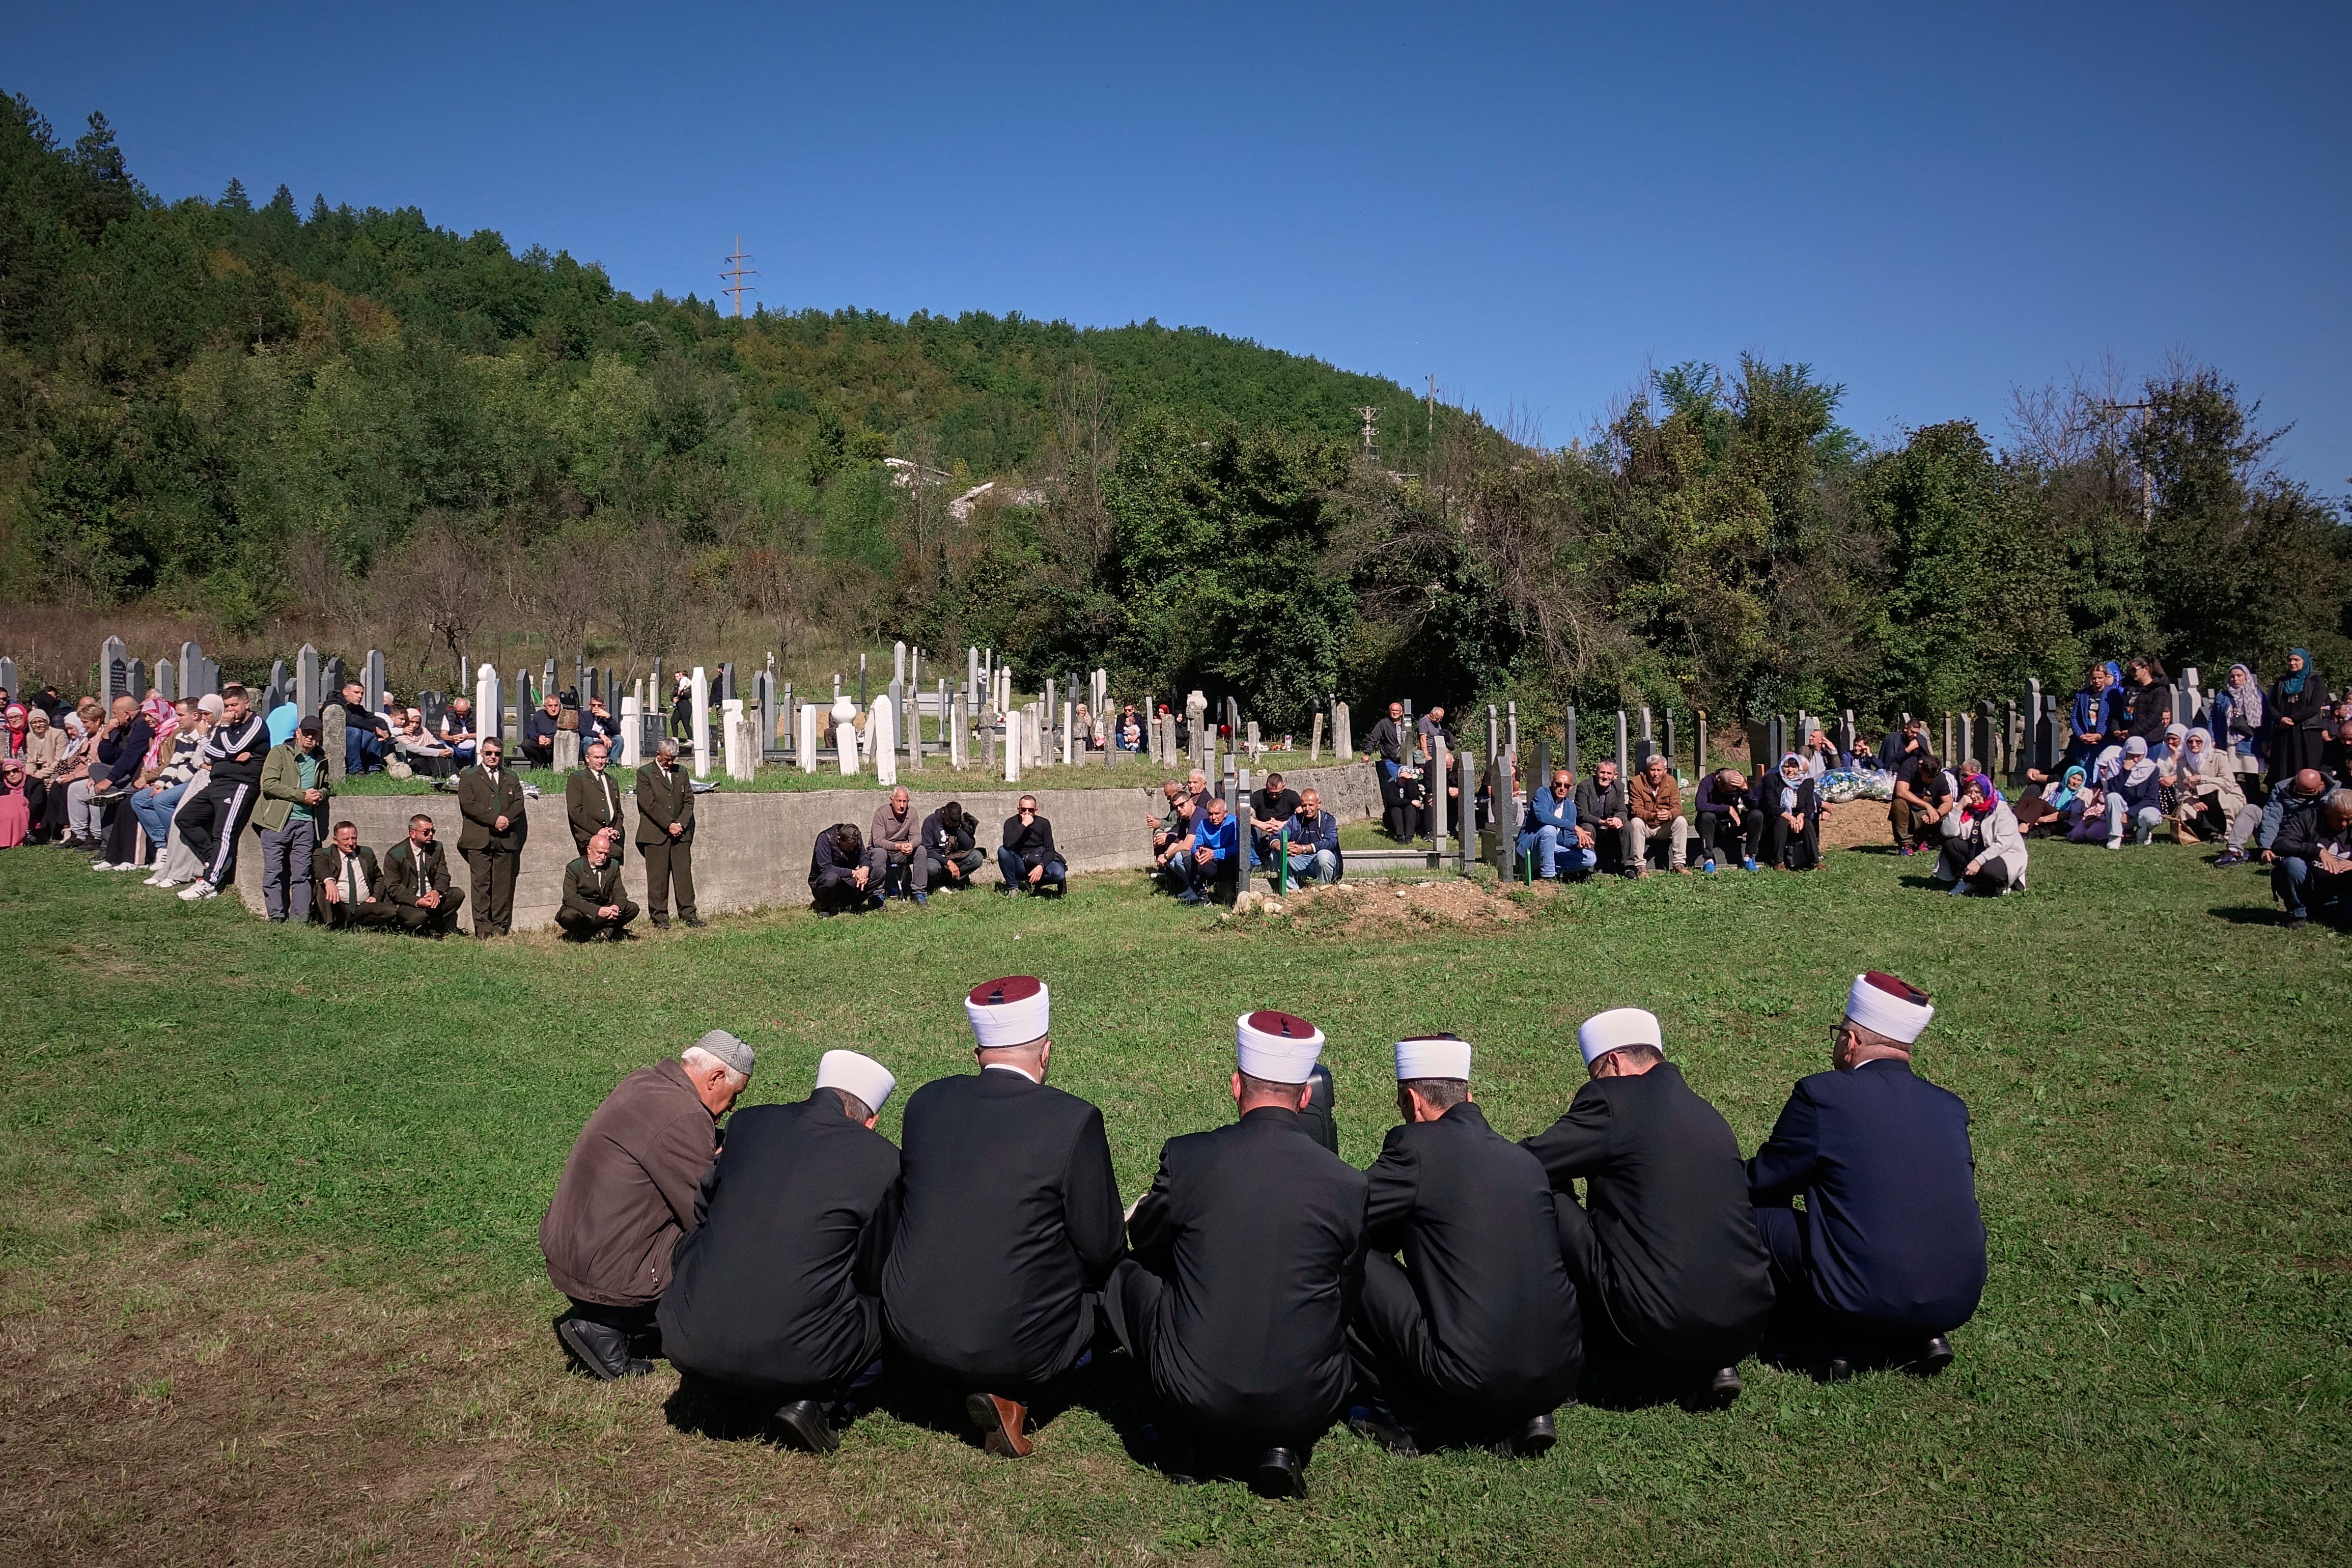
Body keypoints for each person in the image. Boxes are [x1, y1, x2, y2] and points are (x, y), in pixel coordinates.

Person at [1106, 1011, 1366, 1498]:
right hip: (1307, 1400)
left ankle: (1177, 1434)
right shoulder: (1349, 1184)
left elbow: (1149, 1241)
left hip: (1194, 1392)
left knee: (1127, 1274)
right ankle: (1280, 1444)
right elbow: (1346, 1295)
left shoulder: (1189, 1158)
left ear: (1236, 1086)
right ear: (1305, 1098)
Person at [882, 978, 1124, 1460]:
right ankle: (1014, 1398)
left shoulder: (925, 1102)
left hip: (908, 1329)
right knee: (1120, 1293)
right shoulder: (1073, 1120)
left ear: (978, 1054)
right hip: (1010, 1343)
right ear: (1046, 1053)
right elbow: (1102, 1247)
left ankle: (952, 1382)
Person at [1523, 1007, 1774, 1406]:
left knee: (1541, 1191)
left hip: (1658, 1320)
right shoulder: (1706, 1111)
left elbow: (1528, 1163)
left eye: (1595, 1074)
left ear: (1615, 1062)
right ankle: (1714, 1361)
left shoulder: (1613, 1100)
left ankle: (1559, 1355)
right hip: (1749, 1320)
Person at [1348, 1033, 1581, 1459]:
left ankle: (1399, 1415)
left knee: (1350, 1252)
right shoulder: (1524, 1161)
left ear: (1413, 1102)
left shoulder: (1415, 1149)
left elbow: (1346, 1214)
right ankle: (1525, 1412)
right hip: (1561, 1370)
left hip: (1473, 1374)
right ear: (1468, 1095)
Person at [661, 1050, 902, 1453]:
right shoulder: (883, 1160)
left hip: (687, 1338)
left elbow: (704, 1207)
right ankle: (821, 1406)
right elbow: (877, 1264)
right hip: (799, 1356)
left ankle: (722, 1390)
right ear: (871, 1121)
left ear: (816, 1092)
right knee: (889, 1310)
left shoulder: (749, 1123)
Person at [1748, 973, 1985, 1379]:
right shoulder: (1950, 1107)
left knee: (1752, 1219)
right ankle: (1920, 1334)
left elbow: (1767, 1180)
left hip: (1861, 1294)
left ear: (1852, 1041)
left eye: (1839, 1033)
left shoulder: (1822, 1096)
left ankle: (1824, 1338)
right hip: (1957, 1300)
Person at [541, 1031, 755, 1380]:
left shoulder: (644, 1081)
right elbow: (707, 1210)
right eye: (735, 1096)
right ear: (716, 1078)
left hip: (571, 1255)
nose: (732, 1107)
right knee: (724, 1244)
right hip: (604, 1278)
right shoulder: (685, 1116)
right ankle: (607, 1326)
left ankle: (610, 1320)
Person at [176, 685, 269, 902]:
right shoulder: (227, 727)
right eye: (227, 706)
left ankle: (209, 882)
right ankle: (215, 860)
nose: (230, 711)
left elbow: (233, 747)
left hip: (240, 784)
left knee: (223, 832)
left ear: (247, 704)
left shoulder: (256, 724)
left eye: (234, 705)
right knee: (185, 818)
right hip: (217, 781)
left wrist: (227, 739)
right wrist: (231, 756)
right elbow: (210, 752)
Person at [254, 717, 330, 922]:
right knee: (274, 871)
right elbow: (268, 784)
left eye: (315, 734)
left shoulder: (321, 759)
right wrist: (301, 796)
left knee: (302, 873)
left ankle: (300, 919)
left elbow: (326, 786)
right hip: (277, 821)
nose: (310, 737)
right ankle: (276, 915)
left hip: (306, 823)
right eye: (306, 733)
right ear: (298, 733)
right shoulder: (280, 752)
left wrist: (321, 794)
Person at [456, 736, 528, 935]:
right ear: (482, 753)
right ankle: (483, 927)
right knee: (481, 884)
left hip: (506, 838)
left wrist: (506, 819)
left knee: (502, 886)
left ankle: (500, 926)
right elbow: (468, 804)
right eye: (489, 753)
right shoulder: (469, 776)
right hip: (479, 838)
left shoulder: (510, 776)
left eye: (497, 753)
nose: (493, 757)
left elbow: (519, 803)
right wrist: (494, 820)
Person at [632, 736, 701, 929]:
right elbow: (648, 804)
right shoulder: (645, 773)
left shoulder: (682, 772)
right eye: (667, 759)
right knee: (658, 879)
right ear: (658, 754)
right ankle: (660, 917)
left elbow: (689, 801)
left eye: (673, 759)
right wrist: (668, 824)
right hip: (656, 834)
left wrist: (680, 824)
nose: (670, 763)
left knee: (683, 876)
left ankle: (688, 914)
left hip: (681, 834)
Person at [2260, 770, 2336, 930]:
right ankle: (2298, 913)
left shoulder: (2338, 793)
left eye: (2310, 793)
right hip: (2293, 833)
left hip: (2329, 843)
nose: (2305, 796)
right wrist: (2266, 846)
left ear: (2322, 786)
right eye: (2300, 792)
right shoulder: (2282, 788)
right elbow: (2272, 816)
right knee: (2293, 865)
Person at [2173, 729, 2258, 860]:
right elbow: (2179, 789)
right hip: (2197, 798)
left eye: (2198, 742)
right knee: (2185, 808)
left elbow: (2228, 783)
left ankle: (2226, 833)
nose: (2194, 745)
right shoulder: (2183, 762)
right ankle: (2202, 832)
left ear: (2206, 742)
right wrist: (2191, 800)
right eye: (2190, 741)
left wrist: (2202, 779)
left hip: (2226, 796)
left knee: (2211, 790)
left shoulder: (2219, 757)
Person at [1935, 774, 2026, 895]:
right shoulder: (1966, 808)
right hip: (1978, 850)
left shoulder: (2001, 810)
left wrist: (1978, 861)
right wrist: (1959, 807)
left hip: (2004, 854)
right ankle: (1967, 881)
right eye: (1969, 792)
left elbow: (2004, 843)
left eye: (1978, 792)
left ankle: (1999, 885)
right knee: (1950, 843)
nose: (1973, 796)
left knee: (1990, 870)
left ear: (1987, 791)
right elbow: (1947, 832)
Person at [380, 812, 465, 937]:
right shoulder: (395, 855)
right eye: (426, 832)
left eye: (433, 831)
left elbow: (443, 875)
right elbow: (394, 887)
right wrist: (418, 901)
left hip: (431, 897)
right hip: (409, 901)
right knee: (418, 918)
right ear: (412, 833)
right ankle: (414, 928)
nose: (431, 834)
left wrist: (436, 892)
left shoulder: (437, 848)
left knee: (457, 894)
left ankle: (435, 927)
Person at [2281, 791, 2352, 930]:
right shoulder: (2308, 818)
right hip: (2310, 885)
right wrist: (2317, 851)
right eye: (2339, 818)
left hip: (2343, 891)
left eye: (2349, 819)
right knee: (2293, 864)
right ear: (2327, 810)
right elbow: (2282, 843)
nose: (2344, 824)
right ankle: (2298, 914)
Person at [313, 820, 401, 930]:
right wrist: (329, 881)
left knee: (390, 912)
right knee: (322, 887)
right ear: (335, 840)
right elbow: (320, 868)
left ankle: (356, 928)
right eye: (345, 839)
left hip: (363, 906)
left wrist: (376, 896)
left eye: (354, 839)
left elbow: (379, 878)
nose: (351, 843)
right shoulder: (324, 853)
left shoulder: (366, 854)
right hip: (338, 906)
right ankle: (331, 926)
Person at [555, 827, 639, 941]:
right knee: (569, 916)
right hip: (584, 911)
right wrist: (597, 911)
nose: (603, 857)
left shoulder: (613, 866)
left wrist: (616, 907)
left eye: (606, 854)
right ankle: (584, 932)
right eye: (599, 853)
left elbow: (619, 893)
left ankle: (603, 930)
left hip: (605, 908)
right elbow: (570, 898)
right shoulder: (574, 868)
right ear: (589, 850)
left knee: (632, 908)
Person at [1519, 767, 1594, 881]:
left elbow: (1566, 838)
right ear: (1552, 783)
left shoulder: (1571, 807)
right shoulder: (1543, 793)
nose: (1562, 788)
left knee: (1590, 858)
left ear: (1571, 788)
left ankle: (1545, 869)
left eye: (1566, 786)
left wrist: (1577, 845)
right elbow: (1543, 817)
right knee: (1550, 830)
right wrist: (1574, 827)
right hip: (1531, 848)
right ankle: (1548, 876)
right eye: (1558, 784)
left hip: (1553, 849)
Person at [1626, 753, 1690, 876]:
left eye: (1659, 770)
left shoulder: (1671, 782)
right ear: (1647, 770)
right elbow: (1636, 809)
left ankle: (1679, 864)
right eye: (1653, 770)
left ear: (1665, 771)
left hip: (1664, 826)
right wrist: (1653, 816)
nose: (1656, 774)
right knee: (1636, 822)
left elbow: (1678, 808)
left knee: (1681, 821)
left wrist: (1669, 814)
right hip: (1645, 826)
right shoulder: (1636, 782)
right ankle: (1640, 866)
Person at [2269, 649, 2327, 783]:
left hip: (2306, 732)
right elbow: (2271, 705)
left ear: (2305, 662)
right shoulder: (2282, 682)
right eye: (2290, 660)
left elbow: (2314, 707)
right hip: (2284, 731)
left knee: (2306, 767)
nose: (2292, 663)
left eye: (2296, 660)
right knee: (2283, 767)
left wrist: (2293, 719)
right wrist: (2280, 719)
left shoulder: (2315, 681)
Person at [565, 740, 626, 862]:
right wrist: (599, 831)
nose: (600, 761)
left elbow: (618, 811)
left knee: (614, 866)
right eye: (596, 757)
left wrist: (616, 830)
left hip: (612, 836)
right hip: (589, 835)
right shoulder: (578, 779)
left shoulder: (612, 781)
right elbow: (576, 811)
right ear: (588, 759)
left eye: (603, 758)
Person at [1759, 753, 1820, 872]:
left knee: (1807, 824)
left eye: (1794, 767)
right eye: (1787, 766)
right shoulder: (1771, 780)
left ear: (1799, 768)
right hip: (1778, 815)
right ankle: (1779, 862)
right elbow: (1770, 805)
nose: (1790, 770)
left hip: (1798, 816)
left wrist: (1801, 816)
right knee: (1781, 822)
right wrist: (1789, 817)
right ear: (1781, 766)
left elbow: (1810, 806)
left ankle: (1815, 861)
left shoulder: (1807, 782)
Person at [1173, 793, 1237, 905]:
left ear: (1225, 813)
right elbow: (1196, 845)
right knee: (1188, 859)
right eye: (1210, 814)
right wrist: (1197, 852)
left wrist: (1215, 853)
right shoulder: (1203, 824)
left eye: (1217, 814)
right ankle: (1203, 897)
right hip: (1212, 864)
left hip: (1229, 864)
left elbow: (1238, 848)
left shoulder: (1233, 823)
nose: (1213, 817)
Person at [1891, 745, 1954, 856]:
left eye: (1933, 778)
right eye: (1928, 777)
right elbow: (1901, 792)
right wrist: (1927, 806)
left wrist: (1938, 813)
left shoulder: (1941, 778)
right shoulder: (1909, 766)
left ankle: (1925, 839)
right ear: (1921, 769)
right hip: (1909, 814)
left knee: (1948, 812)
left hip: (1927, 817)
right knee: (1899, 803)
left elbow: (1948, 802)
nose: (1930, 780)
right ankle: (1905, 843)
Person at [2102, 736, 2165, 849]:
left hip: (2142, 809)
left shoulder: (2152, 768)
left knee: (2152, 818)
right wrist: (2125, 770)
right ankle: (2115, 837)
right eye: (2131, 755)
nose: (2135, 760)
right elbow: (2114, 790)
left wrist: (2130, 813)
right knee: (2112, 797)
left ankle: (2143, 835)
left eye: (2139, 756)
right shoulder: (2114, 764)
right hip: (2121, 811)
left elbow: (2151, 798)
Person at [869, 785, 928, 904]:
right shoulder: (881, 813)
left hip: (902, 853)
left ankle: (919, 893)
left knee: (921, 850)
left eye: (905, 802)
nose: (902, 805)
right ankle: (876, 895)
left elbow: (917, 837)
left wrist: (911, 845)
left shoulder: (912, 813)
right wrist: (898, 846)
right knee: (880, 853)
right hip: (883, 852)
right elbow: (878, 841)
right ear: (891, 800)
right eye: (898, 801)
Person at [999, 793, 1066, 895]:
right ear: (1018, 809)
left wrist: (1041, 866)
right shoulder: (1011, 822)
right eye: (1023, 810)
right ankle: (1013, 889)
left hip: (1038, 859)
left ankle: (1032, 883)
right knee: (1003, 851)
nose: (1027, 813)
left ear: (1036, 811)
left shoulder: (1044, 823)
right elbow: (1007, 844)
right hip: (1021, 863)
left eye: (1031, 810)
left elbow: (1050, 850)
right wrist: (1024, 825)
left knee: (1059, 874)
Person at [1574, 759, 1630, 877]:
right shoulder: (1584, 787)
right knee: (1587, 828)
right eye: (1602, 772)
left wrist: (1618, 819)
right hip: (1592, 826)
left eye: (1609, 773)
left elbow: (1622, 809)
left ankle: (1628, 866)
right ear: (1596, 772)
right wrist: (1602, 822)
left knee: (1627, 825)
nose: (1605, 777)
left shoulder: (1619, 787)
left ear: (1615, 775)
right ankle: (1587, 869)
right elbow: (1582, 814)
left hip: (1610, 830)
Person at [1694, 767, 1756, 872]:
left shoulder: (1738, 783)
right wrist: (1727, 808)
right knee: (1707, 816)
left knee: (1756, 815)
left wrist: (1746, 790)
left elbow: (1756, 806)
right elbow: (1700, 805)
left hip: (1733, 826)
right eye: (1727, 792)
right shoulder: (1708, 782)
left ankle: (1748, 858)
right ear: (1719, 781)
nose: (1730, 795)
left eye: (1734, 792)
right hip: (1714, 826)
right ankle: (1708, 860)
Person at [2063, 663, 2122, 772]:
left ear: (2106, 678)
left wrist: (2100, 734)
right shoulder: (2082, 695)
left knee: (2105, 774)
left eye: (2100, 678)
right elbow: (2074, 717)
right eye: (2094, 678)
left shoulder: (2113, 694)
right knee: (2084, 773)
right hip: (2084, 741)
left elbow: (2115, 717)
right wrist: (2080, 735)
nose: (2097, 681)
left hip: (2105, 740)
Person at [808, 822, 876, 915]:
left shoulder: (856, 838)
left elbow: (864, 856)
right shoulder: (825, 838)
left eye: (854, 846)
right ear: (839, 839)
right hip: (826, 882)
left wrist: (865, 868)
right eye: (849, 846)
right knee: (831, 878)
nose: (852, 849)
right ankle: (825, 908)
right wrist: (853, 873)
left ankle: (854, 904)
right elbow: (826, 868)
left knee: (878, 872)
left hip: (847, 882)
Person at [1278, 788, 1341, 886]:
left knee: (1324, 855)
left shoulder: (1328, 820)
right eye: (1304, 806)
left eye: (1311, 805)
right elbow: (1278, 836)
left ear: (1319, 804)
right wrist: (1281, 846)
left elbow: (1331, 842)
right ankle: (1292, 889)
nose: (1307, 809)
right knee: (1275, 853)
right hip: (1299, 860)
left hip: (1318, 860)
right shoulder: (1295, 820)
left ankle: (1324, 887)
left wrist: (1305, 849)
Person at [330, 680, 393, 776]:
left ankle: (373, 769)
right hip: (336, 741)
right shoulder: (334, 703)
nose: (360, 696)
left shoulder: (356, 707)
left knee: (374, 735)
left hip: (355, 745)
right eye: (356, 692)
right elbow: (351, 720)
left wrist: (385, 731)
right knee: (355, 732)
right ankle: (356, 771)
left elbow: (375, 719)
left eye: (362, 694)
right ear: (346, 692)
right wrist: (376, 729)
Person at [921, 800, 984, 889]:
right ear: (943, 813)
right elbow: (928, 850)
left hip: (955, 857)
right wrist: (947, 862)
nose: (950, 825)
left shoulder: (959, 824)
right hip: (937, 859)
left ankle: (954, 882)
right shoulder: (931, 822)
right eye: (949, 822)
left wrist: (958, 828)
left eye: (953, 823)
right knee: (931, 867)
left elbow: (969, 846)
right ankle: (935, 884)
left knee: (977, 857)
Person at [1248, 770, 1302, 869]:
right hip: (1263, 830)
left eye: (1278, 794)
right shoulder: (1258, 796)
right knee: (1250, 830)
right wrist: (1261, 825)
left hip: (1286, 829)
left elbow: (1302, 815)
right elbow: (1243, 815)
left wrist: (1285, 824)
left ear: (1283, 787)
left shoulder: (1291, 796)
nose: (1274, 796)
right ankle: (1257, 863)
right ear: (1266, 786)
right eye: (1271, 793)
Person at [2121, 656, 2172, 751]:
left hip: (2149, 741)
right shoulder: (2130, 688)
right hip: (2129, 738)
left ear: (2146, 669)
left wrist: (2132, 732)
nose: (2132, 673)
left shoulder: (2159, 689)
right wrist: (2116, 729)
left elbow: (2154, 717)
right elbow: (2120, 709)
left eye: (2134, 670)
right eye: (2130, 670)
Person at [438, 695, 479, 767]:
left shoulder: (477, 715)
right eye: (459, 713)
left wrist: (466, 737)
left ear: (469, 709)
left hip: (474, 750)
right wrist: (452, 738)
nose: (461, 716)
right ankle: (450, 768)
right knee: (441, 743)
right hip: (456, 750)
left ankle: (476, 768)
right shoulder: (449, 715)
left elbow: (483, 734)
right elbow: (443, 735)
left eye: (464, 713)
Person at [0, 757, 28, 848]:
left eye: (15, 771)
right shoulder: (3, 788)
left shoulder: (34, 784)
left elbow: (36, 806)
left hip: (28, 820)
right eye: (7, 773)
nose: (12, 775)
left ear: (22, 770)